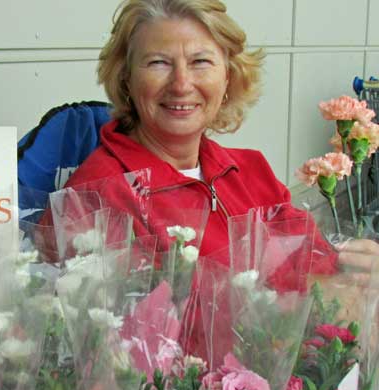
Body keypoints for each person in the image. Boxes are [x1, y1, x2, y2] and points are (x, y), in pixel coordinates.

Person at [53, 0, 379, 278]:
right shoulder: (96, 196)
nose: (181, 84)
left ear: (228, 76)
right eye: (158, 63)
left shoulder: (251, 170)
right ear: (126, 78)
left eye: (200, 62)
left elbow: (313, 270)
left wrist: (349, 268)